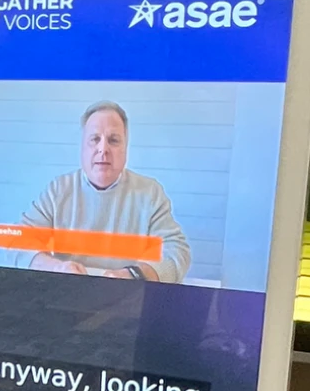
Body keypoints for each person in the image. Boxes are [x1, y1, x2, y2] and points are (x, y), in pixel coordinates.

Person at [23, 100, 190, 280]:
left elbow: (177, 251)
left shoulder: (150, 193)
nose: (103, 149)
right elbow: (20, 240)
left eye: (113, 140)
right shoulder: (58, 190)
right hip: (69, 291)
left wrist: (134, 275)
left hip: (128, 292)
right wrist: (56, 267)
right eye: (95, 139)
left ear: (126, 148)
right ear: (83, 147)